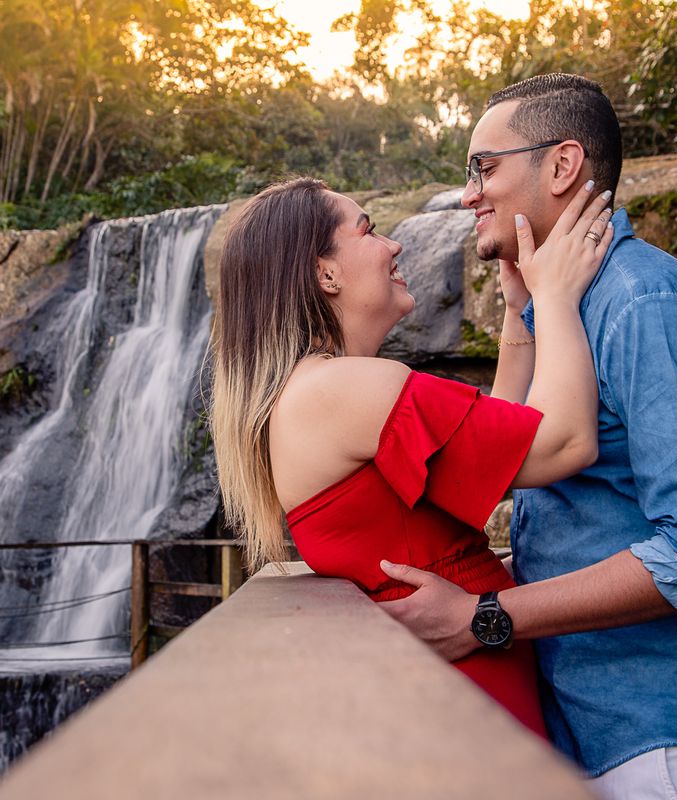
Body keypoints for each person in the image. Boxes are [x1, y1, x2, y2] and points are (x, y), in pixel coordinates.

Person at [210, 173, 612, 735]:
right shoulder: (346, 389)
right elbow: (564, 443)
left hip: (450, 694)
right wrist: (556, 299)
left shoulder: (312, 393)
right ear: (325, 273)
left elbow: (496, 445)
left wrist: (518, 309)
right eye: (369, 231)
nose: (394, 245)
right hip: (471, 703)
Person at [379, 73, 677, 799]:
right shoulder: (562, 305)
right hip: (573, 726)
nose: (468, 195)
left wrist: (484, 617)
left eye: (484, 168)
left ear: (561, 166)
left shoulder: (641, 301)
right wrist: (526, 313)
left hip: (654, 739)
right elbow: (566, 496)